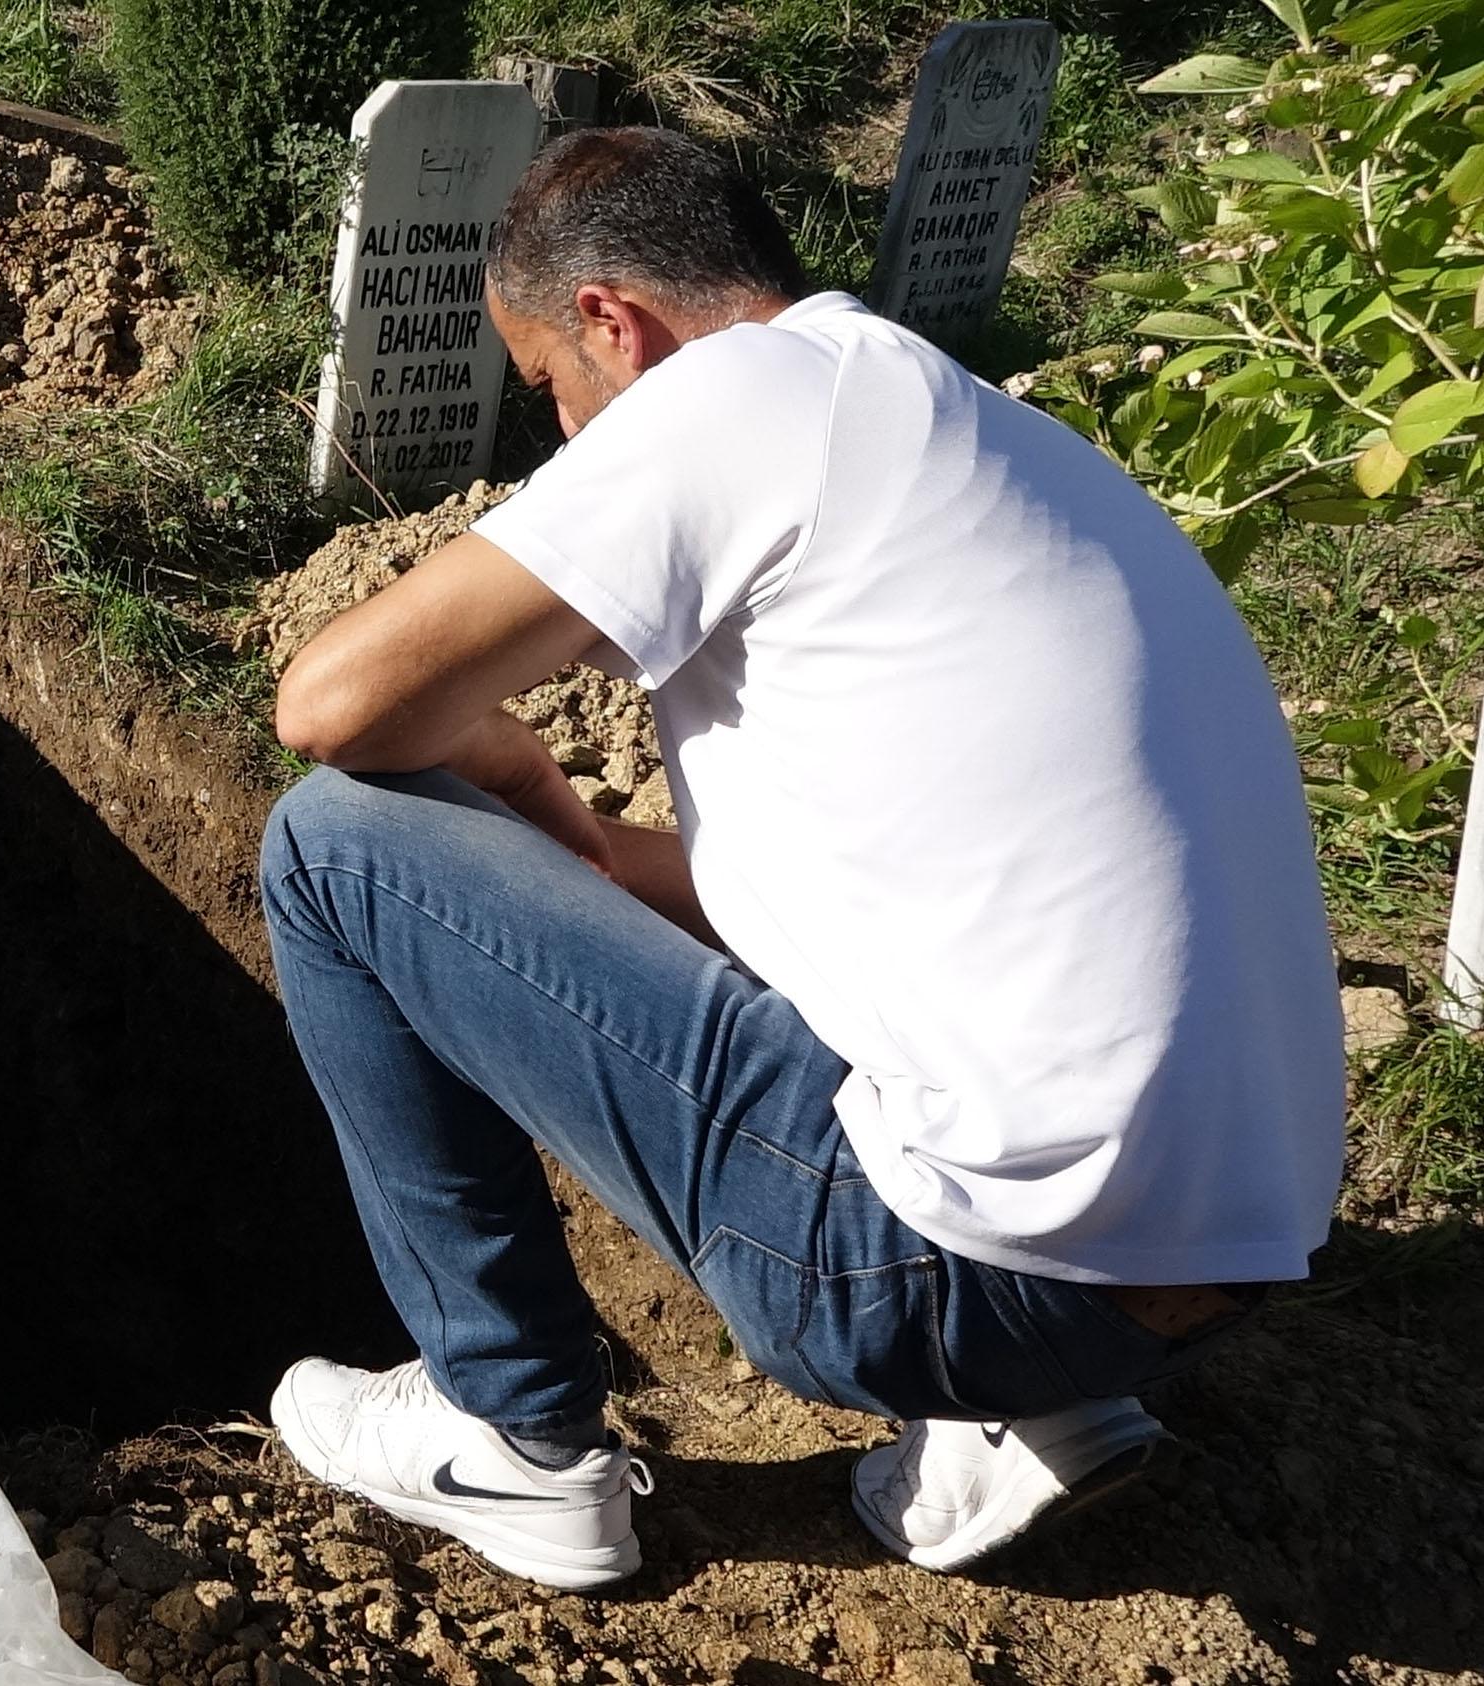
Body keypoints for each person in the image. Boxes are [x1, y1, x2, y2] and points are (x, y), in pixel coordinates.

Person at [258, 126, 1342, 1590]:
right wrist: (571, 849)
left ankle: (510, 1432)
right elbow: (826, 918)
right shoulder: (979, 440)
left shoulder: (744, 395)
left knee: (333, 846)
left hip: (937, 1277)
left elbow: (333, 709)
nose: (572, 437)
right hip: (1213, 1265)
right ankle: (1032, 1406)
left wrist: (499, 757)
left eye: (552, 394)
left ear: (609, 322)